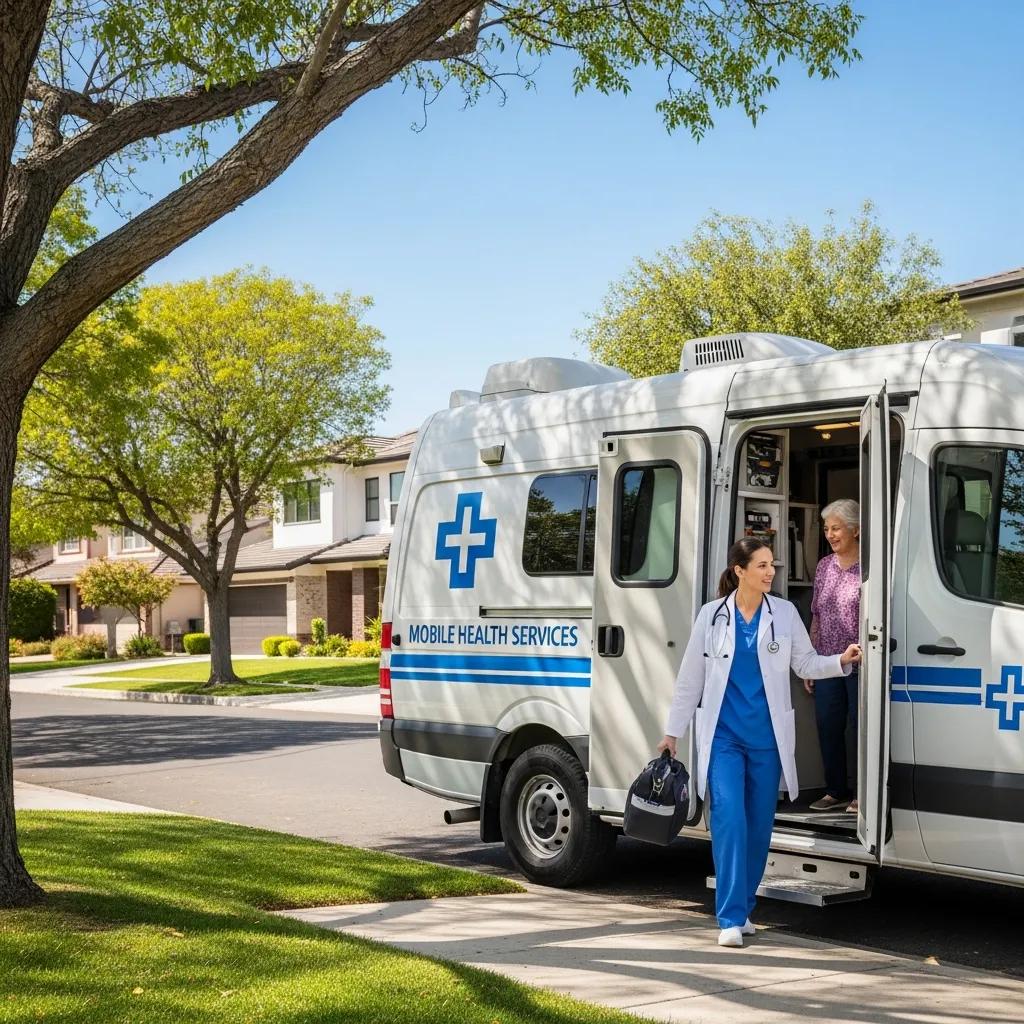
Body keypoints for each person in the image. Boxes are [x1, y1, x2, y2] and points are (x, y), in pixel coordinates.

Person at [657, 537, 860, 948]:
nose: (771, 572)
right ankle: (730, 917)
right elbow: (690, 679)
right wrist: (671, 733)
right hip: (725, 739)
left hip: (767, 740)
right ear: (740, 571)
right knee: (730, 820)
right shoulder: (711, 616)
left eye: (773, 564)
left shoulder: (783, 614)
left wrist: (840, 661)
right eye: (763, 565)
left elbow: (803, 662)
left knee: (759, 829)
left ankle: (745, 908)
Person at [804, 499, 862, 813]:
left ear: (856, 530)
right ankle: (836, 790)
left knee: (859, 728)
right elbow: (817, 615)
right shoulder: (825, 566)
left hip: (859, 662)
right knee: (828, 725)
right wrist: (811, 662)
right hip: (828, 662)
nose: (830, 534)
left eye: (836, 528)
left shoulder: (871, 567)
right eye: (827, 528)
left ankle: (862, 794)